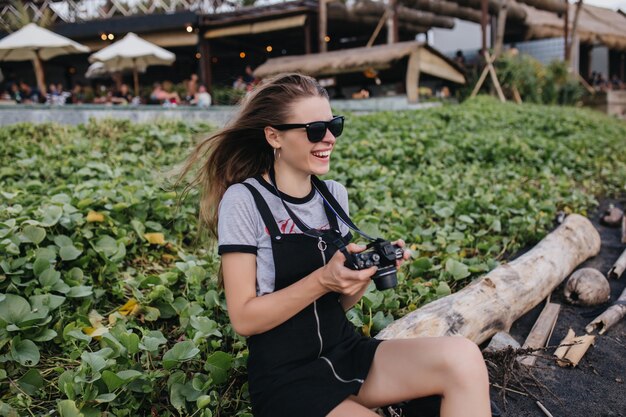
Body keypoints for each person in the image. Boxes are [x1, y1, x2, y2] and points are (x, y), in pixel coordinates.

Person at [176, 73, 491, 417]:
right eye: (313, 129)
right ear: (274, 135)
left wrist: (365, 273)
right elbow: (244, 319)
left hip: (344, 352)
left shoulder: (333, 196)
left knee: (464, 358)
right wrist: (322, 279)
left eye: (333, 126)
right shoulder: (245, 199)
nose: (328, 138)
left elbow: (338, 304)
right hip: (286, 378)